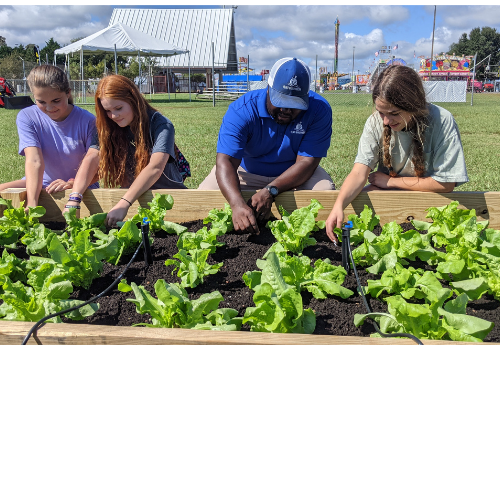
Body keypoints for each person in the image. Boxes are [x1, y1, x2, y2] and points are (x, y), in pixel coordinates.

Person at [325, 64, 469, 243]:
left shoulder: (442, 120)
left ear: (414, 105)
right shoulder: (375, 123)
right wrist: (339, 205)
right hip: (388, 197)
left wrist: (390, 182)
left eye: (394, 113)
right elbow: (358, 172)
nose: (386, 121)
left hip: (430, 202)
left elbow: (445, 184)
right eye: (381, 112)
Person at [198, 57, 334, 234]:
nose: (285, 110)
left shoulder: (319, 110)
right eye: (280, 102)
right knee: (203, 196)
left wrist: (270, 191)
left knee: (325, 193)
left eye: (294, 105)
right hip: (246, 172)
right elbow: (226, 162)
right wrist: (236, 203)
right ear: (268, 89)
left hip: (296, 174)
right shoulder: (242, 110)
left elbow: (307, 163)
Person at [64, 74, 187, 226]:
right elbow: (92, 157)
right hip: (131, 199)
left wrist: (124, 203)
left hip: (169, 200)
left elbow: (155, 167)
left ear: (133, 99)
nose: (113, 115)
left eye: (119, 108)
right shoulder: (106, 125)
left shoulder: (161, 125)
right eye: (108, 110)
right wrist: (75, 196)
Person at [0, 65, 97, 208]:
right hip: (41, 182)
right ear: (34, 97)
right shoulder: (27, 117)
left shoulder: (88, 120)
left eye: (56, 101)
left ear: (68, 93)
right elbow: (34, 160)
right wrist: (32, 203)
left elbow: (98, 166)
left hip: (80, 186)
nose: (50, 108)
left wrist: (71, 183)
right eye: (41, 102)